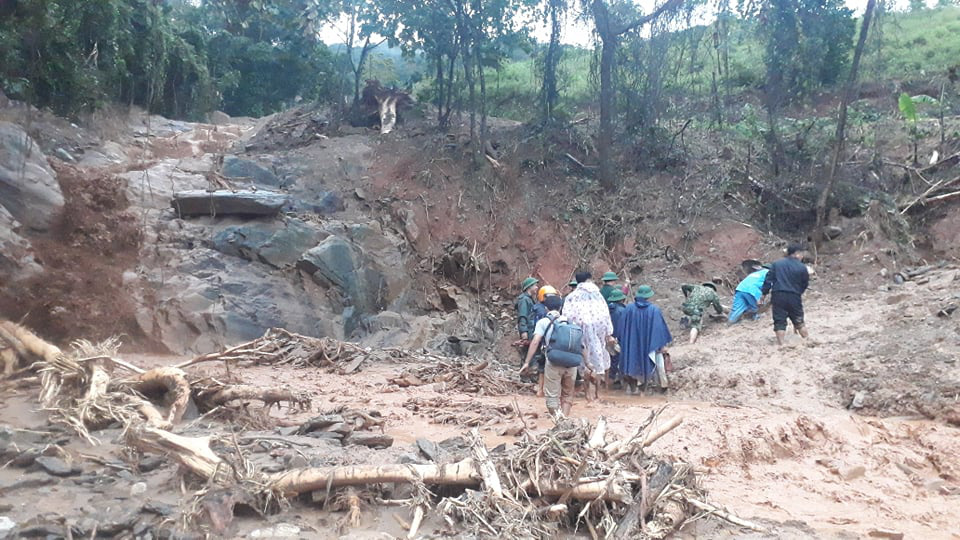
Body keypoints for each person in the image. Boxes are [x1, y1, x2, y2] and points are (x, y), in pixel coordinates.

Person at [519, 295, 584, 416]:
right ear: (560, 307)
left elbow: (535, 341)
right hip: (571, 364)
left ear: (546, 308)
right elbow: (581, 345)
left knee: (552, 398)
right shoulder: (571, 322)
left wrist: (527, 362)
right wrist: (588, 363)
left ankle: (559, 421)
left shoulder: (543, 322)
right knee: (567, 395)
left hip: (554, 362)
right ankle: (564, 420)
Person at [562, 271, 614, 400]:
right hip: (598, 333)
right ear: (589, 280)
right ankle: (598, 393)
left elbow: (566, 316)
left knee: (584, 361)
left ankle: (587, 394)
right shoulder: (597, 295)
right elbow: (605, 315)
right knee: (598, 360)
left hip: (579, 333)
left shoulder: (571, 297)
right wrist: (608, 333)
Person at [616, 285, 672, 394]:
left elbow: (621, 328)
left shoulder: (628, 309)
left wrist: (624, 341)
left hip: (632, 344)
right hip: (649, 343)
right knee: (652, 362)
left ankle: (634, 388)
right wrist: (661, 344)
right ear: (648, 296)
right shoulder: (654, 310)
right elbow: (659, 329)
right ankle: (650, 388)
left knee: (632, 361)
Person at [761, 244, 810, 346]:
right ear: (797, 253)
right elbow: (805, 283)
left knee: (779, 320)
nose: (802, 257)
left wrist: (763, 294)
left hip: (778, 295)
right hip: (794, 296)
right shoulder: (802, 267)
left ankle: (782, 345)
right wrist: (798, 292)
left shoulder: (776, 264)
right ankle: (807, 341)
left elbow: (768, 280)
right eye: (801, 254)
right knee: (798, 320)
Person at [529, 285, 560, 396]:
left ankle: (540, 389)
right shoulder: (559, 315)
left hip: (541, 341)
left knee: (542, 365)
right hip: (554, 344)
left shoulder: (537, 308)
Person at [515, 277, 539, 365]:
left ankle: (528, 373)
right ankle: (525, 375)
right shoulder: (524, 300)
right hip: (528, 330)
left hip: (531, 330)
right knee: (527, 353)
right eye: (535, 285)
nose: (537, 287)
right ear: (529, 287)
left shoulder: (529, 299)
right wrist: (523, 331)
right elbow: (522, 316)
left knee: (531, 352)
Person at [606, 289, 628, 384]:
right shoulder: (623, 311)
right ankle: (617, 380)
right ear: (621, 300)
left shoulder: (606, 309)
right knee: (619, 359)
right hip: (620, 339)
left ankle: (608, 382)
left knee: (610, 359)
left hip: (608, 338)